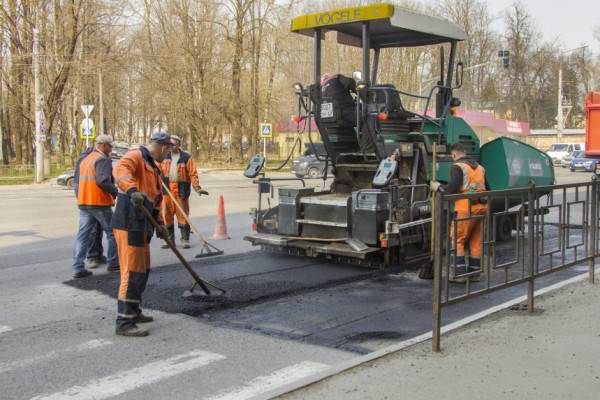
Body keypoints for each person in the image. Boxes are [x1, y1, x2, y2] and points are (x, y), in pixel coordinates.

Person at [111, 132, 172, 337]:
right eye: (169, 150)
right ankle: (124, 322)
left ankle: (134, 311)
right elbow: (120, 170)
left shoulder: (153, 168)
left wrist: (161, 225)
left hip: (143, 224)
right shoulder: (135, 156)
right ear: (163, 147)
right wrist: (131, 190)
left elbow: (156, 200)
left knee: (143, 271)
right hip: (129, 222)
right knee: (132, 272)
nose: (169, 154)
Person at [430, 143, 488, 282]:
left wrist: (437, 187)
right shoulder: (480, 168)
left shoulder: (457, 166)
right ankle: (474, 274)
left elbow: (452, 189)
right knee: (475, 241)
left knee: (457, 240)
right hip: (482, 208)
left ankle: (460, 275)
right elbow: (488, 187)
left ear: (454, 155)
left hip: (465, 208)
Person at [71, 135, 119, 278]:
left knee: (83, 236)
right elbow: (102, 180)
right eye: (110, 146)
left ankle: (78, 267)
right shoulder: (102, 159)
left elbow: (79, 181)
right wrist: (115, 191)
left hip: (84, 202)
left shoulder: (86, 158)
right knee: (113, 232)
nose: (111, 149)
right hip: (98, 202)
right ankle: (113, 263)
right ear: (103, 145)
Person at [159, 135, 205, 248]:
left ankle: (185, 240)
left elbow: (193, 174)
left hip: (181, 190)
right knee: (167, 215)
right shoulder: (163, 157)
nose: (171, 147)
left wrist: (197, 187)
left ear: (179, 144)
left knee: (183, 215)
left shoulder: (186, 157)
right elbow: (157, 170)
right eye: (169, 145)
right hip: (166, 189)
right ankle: (170, 241)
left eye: (173, 144)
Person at [74, 146, 106, 268]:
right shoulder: (91, 158)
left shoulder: (90, 157)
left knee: (96, 229)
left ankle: (97, 255)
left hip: (89, 199)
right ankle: (92, 256)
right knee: (93, 230)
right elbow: (79, 182)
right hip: (91, 199)